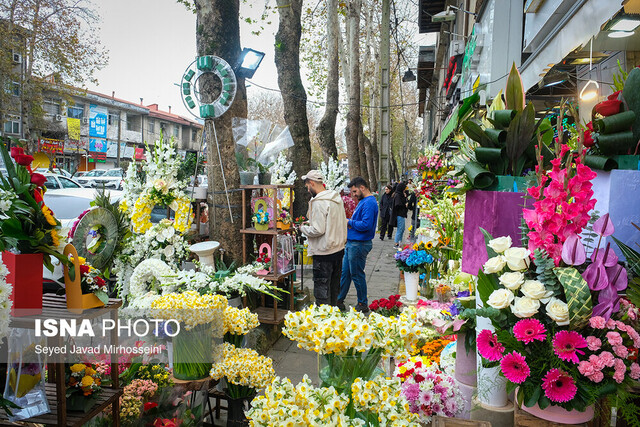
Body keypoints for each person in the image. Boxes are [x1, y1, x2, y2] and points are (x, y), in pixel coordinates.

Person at [299, 170, 348, 306]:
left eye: (308, 186)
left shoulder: (319, 202)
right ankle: (334, 319)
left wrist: (302, 229)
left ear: (312, 183)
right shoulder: (335, 199)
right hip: (338, 250)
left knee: (322, 294)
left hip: (324, 253)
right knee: (334, 289)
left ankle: (324, 321)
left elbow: (318, 229)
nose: (308, 190)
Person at [337, 177, 379, 313]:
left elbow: (366, 225)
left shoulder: (369, 203)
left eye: (354, 191)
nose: (353, 195)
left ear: (362, 187)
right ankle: (339, 300)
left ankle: (362, 303)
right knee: (346, 274)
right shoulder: (365, 201)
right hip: (353, 243)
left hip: (359, 244)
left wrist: (348, 222)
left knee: (356, 274)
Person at [391, 181, 408, 247]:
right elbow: (398, 204)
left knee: (402, 229)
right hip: (399, 214)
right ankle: (396, 243)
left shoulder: (400, 194)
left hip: (401, 214)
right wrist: (404, 205)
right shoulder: (398, 195)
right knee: (400, 229)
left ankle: (399, 242)